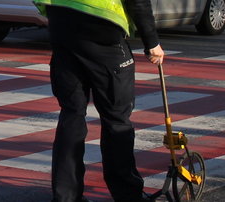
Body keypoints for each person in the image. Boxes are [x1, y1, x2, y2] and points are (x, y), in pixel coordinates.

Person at [32, 0, 165, 201]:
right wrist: (152, 42)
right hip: (103, 31)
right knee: (116, 119)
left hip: (62, 26)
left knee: (72, 114)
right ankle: (127, 195)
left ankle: (66, 196)